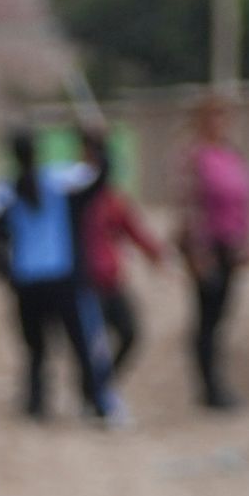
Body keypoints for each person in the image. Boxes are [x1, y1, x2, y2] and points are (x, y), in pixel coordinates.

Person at [0, 129, 120, 426]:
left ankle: (36, 402)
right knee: (80, 344)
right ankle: (94, 401)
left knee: (35, 348)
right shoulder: (57, 185)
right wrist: (100, 146)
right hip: (60, 279)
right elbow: (99, 181)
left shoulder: (6, 192)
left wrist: (1, 271)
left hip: (27, 282)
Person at [176, 95, 249, 410]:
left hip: (230, 244)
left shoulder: (232, 155)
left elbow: (245, 200)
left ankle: (217, 382)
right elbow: (189, 205)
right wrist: (198, 250)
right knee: (206, 317)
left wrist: (248, 240)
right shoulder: (195, 157)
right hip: (206, 245)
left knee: (221, 317)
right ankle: (208, 387)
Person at [76, 137, 168, 393]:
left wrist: (157, 254)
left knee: (129, 334)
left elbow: (134, 230)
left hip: (110, 280)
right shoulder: (75, 200)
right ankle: (92, 391)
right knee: (93, 343)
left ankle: (101, 386)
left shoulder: (112, 200)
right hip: (86, 282)